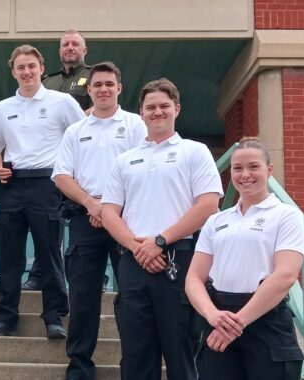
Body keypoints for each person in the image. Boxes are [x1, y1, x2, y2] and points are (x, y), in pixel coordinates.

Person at [101, 78, 222, 380]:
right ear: (140, 113)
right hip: (133, 261)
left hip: (179, 261)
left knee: (181, 350)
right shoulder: (124, 160)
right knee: (136, 353)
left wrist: (160, 241)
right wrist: (138, 247)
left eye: (164, 106)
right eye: (150, 107)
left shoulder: (195, 152)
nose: (157, 112)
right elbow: (108, 213)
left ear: (177, 109)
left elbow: (208, 205)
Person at [0, 45, 84, 339]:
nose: (26, 72)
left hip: (47, 184)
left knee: (49, 253)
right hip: (14, 186)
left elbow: (81, 137)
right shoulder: (4, 108)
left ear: (41, 67)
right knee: (9, 257)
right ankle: (6, 319)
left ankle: (54, 317)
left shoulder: (61, 101)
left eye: (31, 66)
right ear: (13, 72)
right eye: (20, 67)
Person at [53, 62, 146, 380]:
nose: (103, 89)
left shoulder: (135, 124)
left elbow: (144, 171)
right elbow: (62, 176)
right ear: (89, 89)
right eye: (98, 85)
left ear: (119, 88)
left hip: (127, 220)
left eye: (110, 84)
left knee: (133, 296)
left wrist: (111, 211)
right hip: (85, 219)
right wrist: (93, 205)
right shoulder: (75, 131)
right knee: (82, 297)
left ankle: (133, 366)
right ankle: (79, 366)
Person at [185, 137, 304, 379]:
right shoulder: (217, 220)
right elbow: (194, 278)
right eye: (238, 168)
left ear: (269, 170)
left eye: (253, 167)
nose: (245, 174)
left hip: (264, 320)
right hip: (218, 319)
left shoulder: (286, 215)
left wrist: (237, 323)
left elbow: (285, 275)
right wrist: (211, 315)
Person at [25, 29, 92, 292]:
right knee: (49, 222)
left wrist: (74, 119)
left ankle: (95, 277)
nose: (70, 48)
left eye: (76, 44)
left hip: (83, 157)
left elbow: (99, 107)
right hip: (52, 162)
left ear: (84, 50)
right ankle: (39, 274)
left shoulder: (93, 77)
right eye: (65, 45)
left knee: (84, 217)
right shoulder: (48, 81)